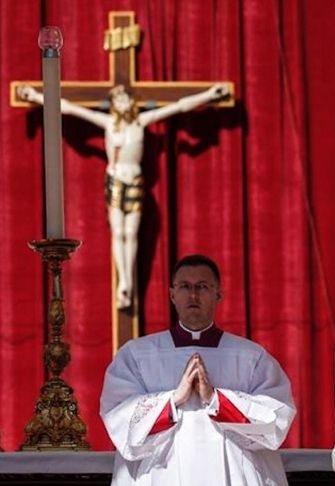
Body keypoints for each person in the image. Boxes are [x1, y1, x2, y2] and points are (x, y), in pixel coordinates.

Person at [17, 83, 230, 309]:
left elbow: (178, 107)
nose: (122, 103)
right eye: (117, 100)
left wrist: (208, 95)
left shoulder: (141, 122)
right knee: (118, 233)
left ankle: (128, 278)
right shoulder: (108, 123)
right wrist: (37, 97)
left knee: (131, 233)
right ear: (114, 104)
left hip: (135, 181)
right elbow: (69, 108)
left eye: (125, 99)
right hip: (116, 181)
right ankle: (124, 283)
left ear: (131, 101)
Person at [99, 254, 295, 486]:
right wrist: (172, 400)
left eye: (202, 287)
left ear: (218, 294)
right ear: (172, 294)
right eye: (184, 287)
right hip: (163, 475)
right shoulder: (136, 355)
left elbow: (277, 419)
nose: (193, 295)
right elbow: (119, 418)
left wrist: (217, 400)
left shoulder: (251, 356)